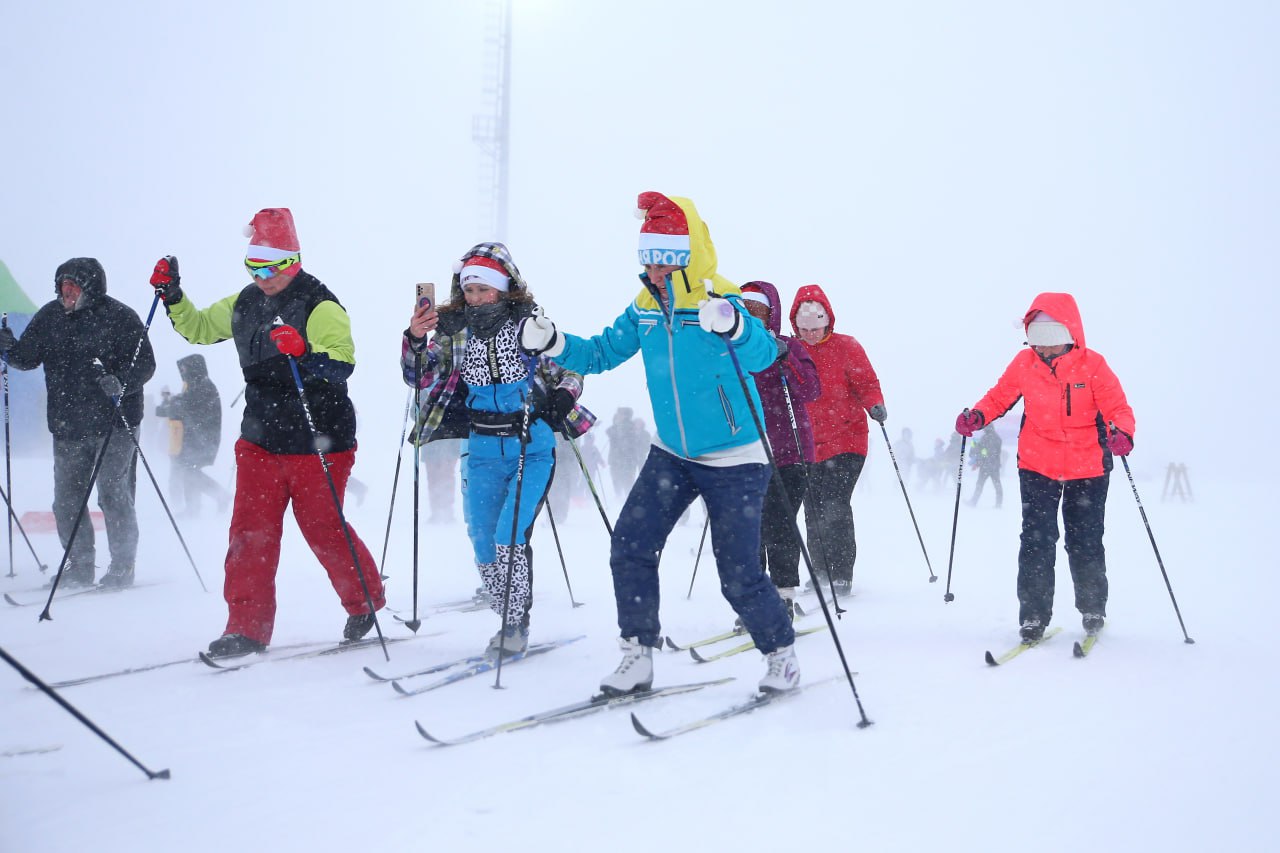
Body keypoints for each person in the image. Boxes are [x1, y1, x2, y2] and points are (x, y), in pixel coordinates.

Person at [519, 191, 800, 694]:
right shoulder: (645, 307)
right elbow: (603, 352)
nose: (655, 271)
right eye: (649, 259)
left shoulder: (722, 302)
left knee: (736, 573)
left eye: (666, 261)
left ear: (689, 259)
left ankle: (781, 653)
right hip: (673, 451)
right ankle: (638, 655)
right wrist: (555, 342)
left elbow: (762, 356)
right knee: (631, 543)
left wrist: (736, 327)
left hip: (736, 457)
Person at [149, 207, 385, 658]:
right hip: (260, 436)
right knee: (249, 532)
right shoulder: (244, 303)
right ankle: (245, 627)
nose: (263, 277)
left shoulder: (321, 305)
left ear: (293, 260)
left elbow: (343, 363)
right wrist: (172, 296)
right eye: (253, 267)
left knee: (322, 528)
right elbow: (198, 329)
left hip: (319, 436)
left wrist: (305, 351)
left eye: (272, 268)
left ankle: (365, 602)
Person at [402, 242, 593, 658]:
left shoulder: (529, 327)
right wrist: (416, 339)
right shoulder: (454, 331)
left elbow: (572, 369)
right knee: (483, 540)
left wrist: (561, 397)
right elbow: (418, 377)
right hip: (481, 447)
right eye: (469, 290)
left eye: (484, 290)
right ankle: (506, 610)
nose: (475, 298)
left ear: (505, 289)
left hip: (531, 445)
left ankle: (515, 623)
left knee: (510, 535)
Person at [954, 292, 1134, 643]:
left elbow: (1118, 407)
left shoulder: (1093, 365)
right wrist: (977, 415)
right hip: (1038, 462)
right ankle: (1034, 616)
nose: (1045, 351)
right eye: (1037, 343)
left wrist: (1122, 432)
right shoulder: (1024, 363)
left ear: (1070, 336)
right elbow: (999, 396)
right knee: (1036, 540)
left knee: (1084, 539)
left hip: (1089, 465)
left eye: (1051, 344)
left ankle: (1093, 607)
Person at [0, 258, 155, 588]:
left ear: (92, 288)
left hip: (115, 421)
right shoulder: (49, 317)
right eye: (61, 286)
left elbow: (145, 363)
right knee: (66, 499)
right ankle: (81, 564)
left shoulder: (120, 317)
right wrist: (8, 349)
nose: (65, 292)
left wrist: (122, 382)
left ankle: (122, 566)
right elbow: (27, 358)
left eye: (73, 286)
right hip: (68, 425)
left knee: (112, 493)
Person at [789, 284, 885, 597]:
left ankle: (841, 573)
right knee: (812, 507)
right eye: (804, 329)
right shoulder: (791, 349)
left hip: (848, 440)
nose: (811, 335)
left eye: (816, 329)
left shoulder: (847, 347)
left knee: (835, 504)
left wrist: (874, 404)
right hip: (807, 444)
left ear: (827, 322)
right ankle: (819, 571)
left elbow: (866, 382)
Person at [739, 281, 821, 617]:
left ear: (771, 314)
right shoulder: (731, 350)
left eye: (758, 311)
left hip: (791, 453)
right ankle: (756, 598)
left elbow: (811, 390)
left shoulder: (786, 345)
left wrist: (786, 359)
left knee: (780, 523)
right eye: (745, 311)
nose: (752, 318)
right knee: (749, 527)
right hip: (746, 452)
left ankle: (784, 594)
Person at [155, 354, 230, 516]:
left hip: (201, 439)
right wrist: (170, 403)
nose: (182, 372)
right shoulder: (196, 385)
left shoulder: (203, 386)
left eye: (184, 368)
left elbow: (183, 407)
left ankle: (220, 496)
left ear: (194, 367)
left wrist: (170, 404)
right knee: (189, 471)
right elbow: (179, 406)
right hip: (194, 438)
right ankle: (194, 507)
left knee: (190, 472)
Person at [605, 407, 646, 500]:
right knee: (617, 478)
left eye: (620, 414)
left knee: (625, 479)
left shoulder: (629, 427)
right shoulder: (618, 426)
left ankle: (626, 497)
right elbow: (608, 431)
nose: (618, 415)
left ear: (625, 415)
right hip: (618, 459)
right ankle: (621, 496)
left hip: (626, 460)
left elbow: (626, 443)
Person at [967, 425, 1004, 508]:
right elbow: (991, 452)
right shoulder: (997, 438)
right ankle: (998, 503)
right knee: (997, 485)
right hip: (994, 466)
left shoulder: (985, 438)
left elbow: (983, 452)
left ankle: (973, 502)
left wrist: (977, 458)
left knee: (980, 484)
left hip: (986, 466)